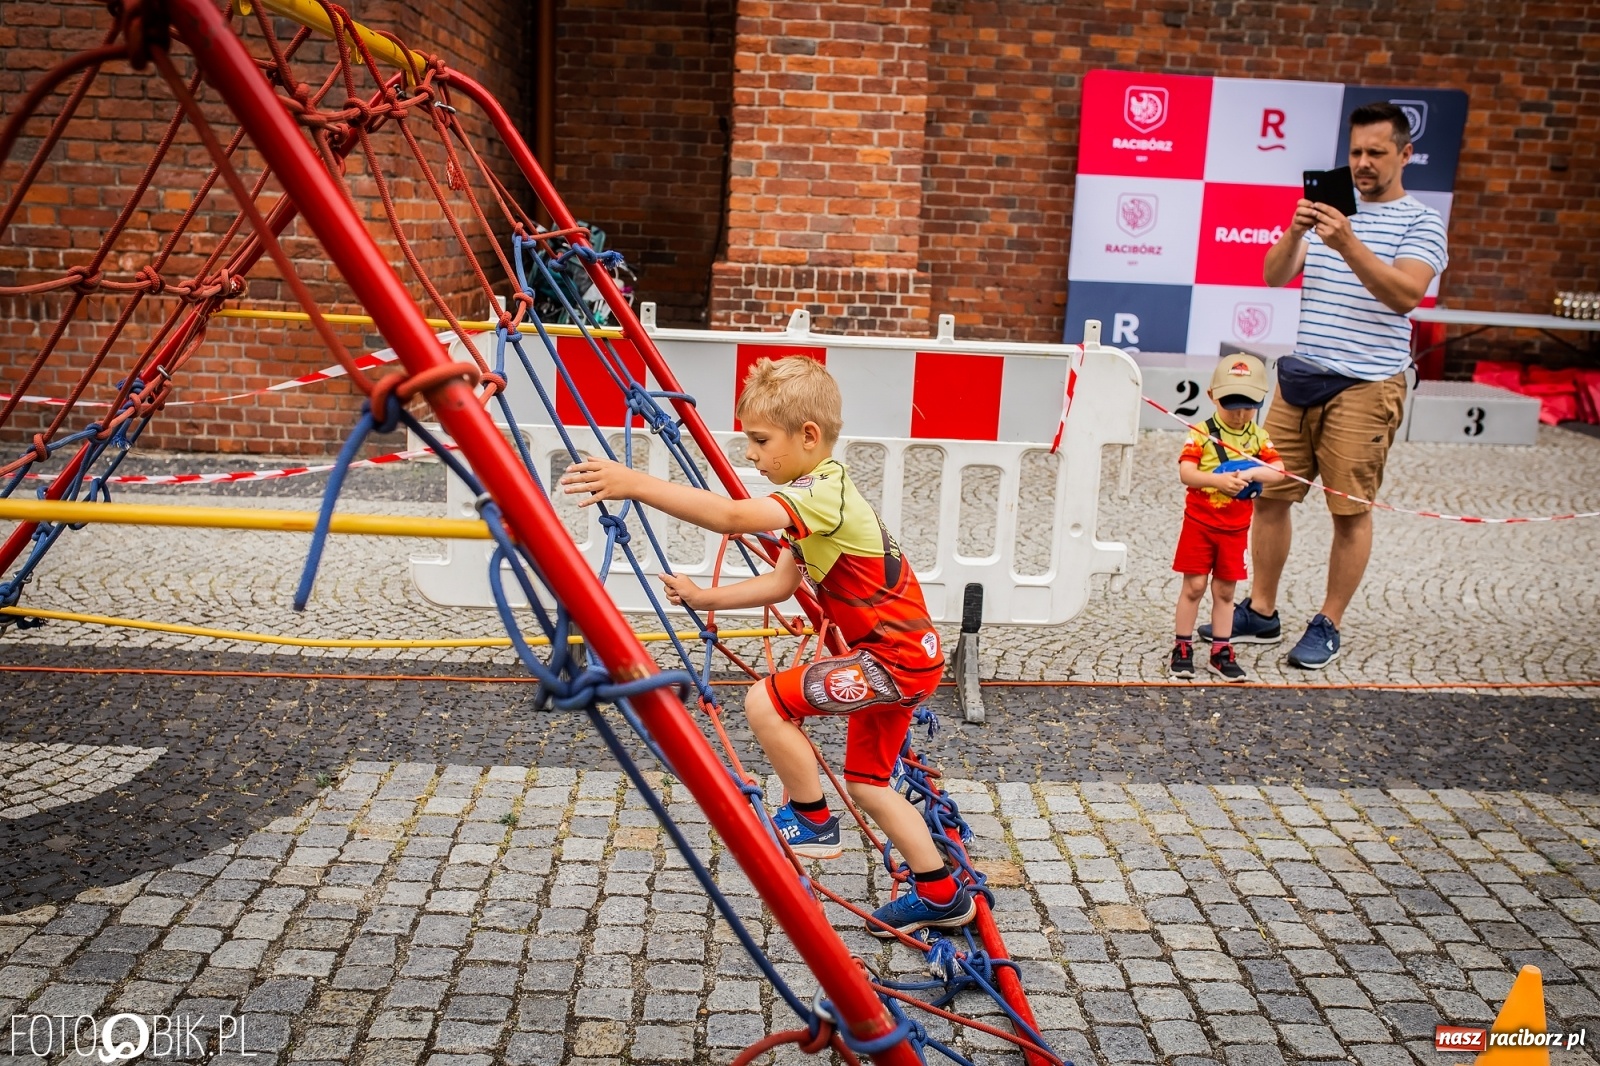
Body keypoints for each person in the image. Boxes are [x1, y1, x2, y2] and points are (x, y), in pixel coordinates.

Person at [559, 356, 971, 938]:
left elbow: (730, 517)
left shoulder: (821, 495)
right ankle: (941, 895)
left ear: (807, 437)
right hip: (904, 661)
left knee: (765, 702)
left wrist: (635, 484)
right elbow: (782, 584)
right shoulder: (816, 498)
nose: (749, 454)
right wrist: (707, 599)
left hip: (892, 663)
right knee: (870, 785)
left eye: (758, 440)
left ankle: (812, 821)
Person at [1204, 101, 1448, 668]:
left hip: (1366, 384)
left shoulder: (1421, 221)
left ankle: (1328, 622)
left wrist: (1347, 244)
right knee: (1270, 498)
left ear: (1406, 155)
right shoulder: (1331, 211)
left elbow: (1405, 295)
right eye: (1356, 152)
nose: (1362, 163)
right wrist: (1297, 231)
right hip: (1302, 374)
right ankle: (1261, 611)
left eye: (1376, 153)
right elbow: (1272, 274)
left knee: (1349, 511)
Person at [1171, 355, 1285, 682]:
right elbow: (1186, 472)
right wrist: (1218, 481)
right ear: (1212, 397)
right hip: (1199, 526)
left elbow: (1279, 472)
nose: (1239, 414)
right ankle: (1182, 647)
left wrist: (1249, 471)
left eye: (1248, 406)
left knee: (1225, 592)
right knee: (1193, 586)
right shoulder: (1201, 433)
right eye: (1231, 405)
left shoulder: (1259, 438)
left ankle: (1221, 651)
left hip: (1235, 530)